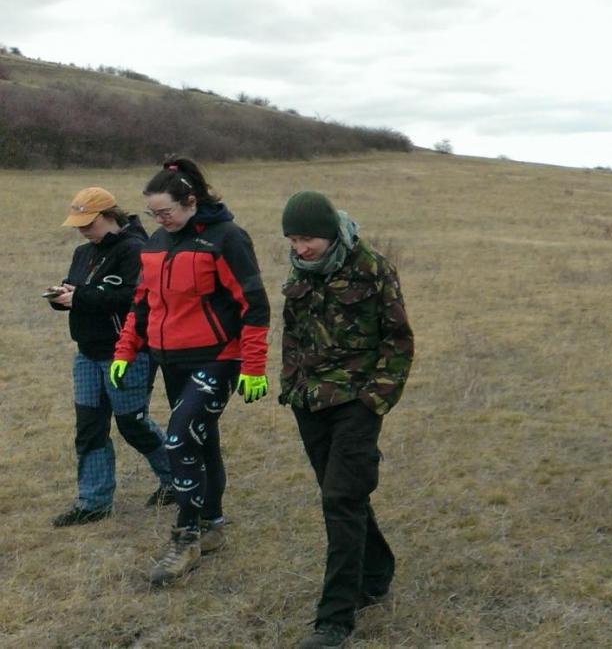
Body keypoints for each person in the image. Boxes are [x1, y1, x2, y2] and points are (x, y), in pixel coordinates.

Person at [110, 158, 270, 585]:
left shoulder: (227, 238)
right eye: (153, 214)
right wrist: (126, 350)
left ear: (191, 201)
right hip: (170, 361)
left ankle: (186, 536)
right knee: (201, 439)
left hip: (216, 358)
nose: (159, 220)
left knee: (180, 436)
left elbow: (253, 304)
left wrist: (253, 366)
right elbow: (143, 303)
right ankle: (213, 523)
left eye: (165, 211)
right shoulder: (155, 244)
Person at [278, 192, 414, 649]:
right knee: (344, 493)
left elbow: (398, 338)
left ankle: (334, 620)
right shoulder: (301, 269)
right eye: (294, 240)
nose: (301, 248)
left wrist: (378, 398)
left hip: (357, 400)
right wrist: (291, 382)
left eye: (308, 238)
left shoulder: (371, 267)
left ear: (332, 233)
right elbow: (293, 330)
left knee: (340, 497)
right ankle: (376, 571)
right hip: (310, 401)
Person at [47, 187, 173, 527]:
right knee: (89, 427)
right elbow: (81, 289)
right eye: (78, 223)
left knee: (132, 423)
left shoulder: (135, 250)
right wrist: (61, 295)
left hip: (127, 353)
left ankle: (176, 477)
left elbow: (134, 299)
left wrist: (82, 297)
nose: (83, 229)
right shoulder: (81, 253)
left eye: (89, 222)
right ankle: (94, 502)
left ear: (109, 216)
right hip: (86, 354)